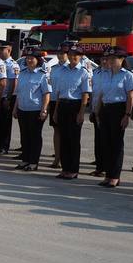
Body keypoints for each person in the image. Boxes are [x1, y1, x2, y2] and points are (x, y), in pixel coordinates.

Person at [94, 47, 133, 188]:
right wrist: (98, 112)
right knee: (105, 143)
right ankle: (108, 174)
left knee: (116, 144)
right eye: (109, 58)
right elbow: (101, 95)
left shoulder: (127, 75)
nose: (110, 61)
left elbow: (130, 96)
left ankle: (115, 176)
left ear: (121, 59)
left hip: (119, 110)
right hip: (106, 109)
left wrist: (127, 114)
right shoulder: (106, 74)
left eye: (113, 59)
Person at [52, 45, 92, 179]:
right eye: (70, 54)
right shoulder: (62, 71)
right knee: (64, 138)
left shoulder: (83, 72)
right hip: (62, 105)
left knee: (73, 139)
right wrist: (56, 111)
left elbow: (85, 94)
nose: (72, 57)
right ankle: (65, 168)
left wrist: (81, 112)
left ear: (80, 57)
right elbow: (58, 93)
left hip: (75, 106)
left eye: (76, 55)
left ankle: (73, 169)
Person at [13, 47, 51, 171]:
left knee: (34, 136)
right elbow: (19, 92)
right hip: (22, 108)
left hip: (35, 110)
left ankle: (33, 162)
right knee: (24, 136)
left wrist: (44, 109)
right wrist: (15, 108)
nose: (29, 60)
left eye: (32, 58)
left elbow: (46, 94)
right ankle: (25, 160)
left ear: (38, 60)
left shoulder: (42, 75)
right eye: (27, 58)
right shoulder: (22, 74)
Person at [47, 42, 71, 169]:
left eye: (63, 53)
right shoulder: (54, 68)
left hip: (65, 101)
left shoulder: (71, 68)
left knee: (66, 131)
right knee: (56, 130)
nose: (61, 55)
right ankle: (57, 157)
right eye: (59, 53)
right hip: (53, 101)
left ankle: (65, 157)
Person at [89, 50, 110, 177]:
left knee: (108, 140)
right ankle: (99, 166)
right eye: (102, 59)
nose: (104, 61)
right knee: (98, 140)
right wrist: (92, 109)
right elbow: (94, 92)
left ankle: (108, 168)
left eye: (107, 59)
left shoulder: (113, 74)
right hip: (96, 109)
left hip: (108, 109)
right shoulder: (96, 72)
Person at [0, 41, 19, 155]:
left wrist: (9, 99)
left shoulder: (12, 64)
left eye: (2, 49)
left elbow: (14, 82)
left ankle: (4, 146)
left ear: (9, 51)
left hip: (6, 97)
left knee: (5, 123)